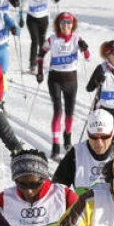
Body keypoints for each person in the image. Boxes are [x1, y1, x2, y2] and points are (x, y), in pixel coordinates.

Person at [36, 11, 91, 159]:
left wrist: (85, 48)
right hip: (55, 79)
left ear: (73, 25)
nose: (65, 25)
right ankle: (55, 145)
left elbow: (88, 58)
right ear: (58, 24)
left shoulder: (76, 39)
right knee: (58, 112)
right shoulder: (52, 39)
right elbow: (40, 55)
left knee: (69, 113)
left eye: (68, 23)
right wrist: (40, 72)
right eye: (62, 23)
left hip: (71, 80)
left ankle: (67, 139)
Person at [53, 108, 114, 194]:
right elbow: (57, 188)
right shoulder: (76, 153)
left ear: (112, 134)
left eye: (104, 137)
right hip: (83, 205)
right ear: (88, 133)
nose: (99, 143)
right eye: (94, 137)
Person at [19, 0, 59, 73]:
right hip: (32, 18)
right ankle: (32, 64)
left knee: (42, 41)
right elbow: (21, 6)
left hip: (43, 18)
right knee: (34, 40)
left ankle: (41, 61)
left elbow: (54, 0)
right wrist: (20, 18)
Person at [85, 40, 114, 123]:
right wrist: (97, 81)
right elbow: (89, 88)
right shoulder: (101, 69)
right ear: (108, 55)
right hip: (104, 110)